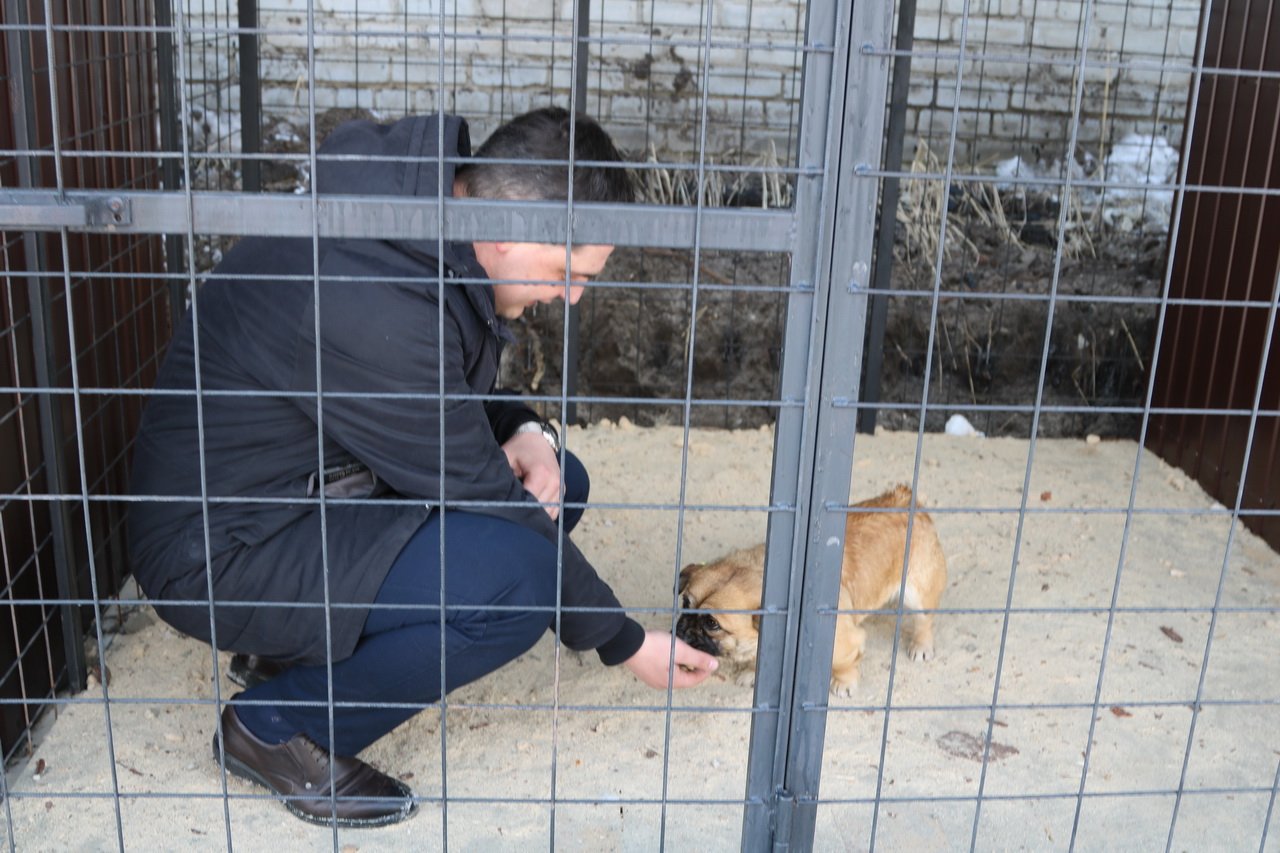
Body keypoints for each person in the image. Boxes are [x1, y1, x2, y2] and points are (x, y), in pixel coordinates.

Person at [127, 106, 718, 828]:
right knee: (516, 582)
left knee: (561, 480)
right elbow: (480, 480)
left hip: (310, 489)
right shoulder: (374, 291)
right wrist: (626, 642)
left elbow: (443, 392)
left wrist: (529, 430)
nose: (572, 295)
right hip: (222, 546)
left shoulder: (424, 233)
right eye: (569, 272)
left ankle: (288, 651)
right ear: (511, 232)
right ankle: (279, 724)